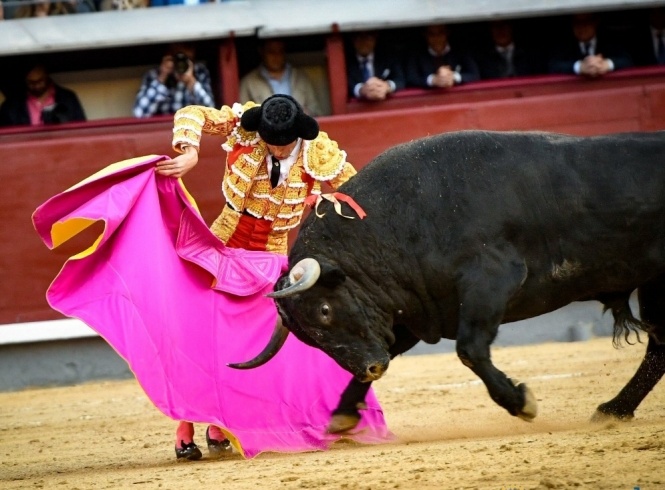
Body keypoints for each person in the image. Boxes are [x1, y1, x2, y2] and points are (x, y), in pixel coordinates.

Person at [156, 94, 360, 460]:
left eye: (284, 145)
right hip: (221, 243)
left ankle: (220, 425)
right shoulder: (244, 129)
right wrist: (189, 152)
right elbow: (192, 113)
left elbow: (356, 191)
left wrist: (326, 203)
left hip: (270, 257)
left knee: (253, 344)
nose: (278, 151)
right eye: (271, 143)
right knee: (201, 333)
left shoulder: (319, 152)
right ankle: (185, 425)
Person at [239, 38, 322, 116]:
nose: (276, 56)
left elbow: (315, 109)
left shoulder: (300, 77)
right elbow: (242, 115)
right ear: (262, 52)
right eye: (271, 52)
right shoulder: (249, 82)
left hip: (299, 130)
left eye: (280, 51)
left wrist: (306, 114)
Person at [133, 43, 215, 118]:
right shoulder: (154, 75)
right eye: (177, 58)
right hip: (163, 130)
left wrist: (191, 81)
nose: (180, 63)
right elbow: (139, 113)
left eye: (185, 59)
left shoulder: (199, 72)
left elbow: (210, 112)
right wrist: (162, 77)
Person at [547, 12, 632, 77]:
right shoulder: (564, 41)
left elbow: (627, 60)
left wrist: (606, 64)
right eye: (577, 22)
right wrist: (580, 67)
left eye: (585, 22)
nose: (581, 27)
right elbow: (553, 65)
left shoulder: (609, 38)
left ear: (595, 23)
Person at [0, 64, 86, 127]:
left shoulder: (67, 98)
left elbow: (81, 128)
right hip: (26, 150)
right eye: (31, 83)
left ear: (47, 77)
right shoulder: (12, 105)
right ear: (25, 81)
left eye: (40, 81)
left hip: (62, 148)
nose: (37, 86)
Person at [405, 24, 480, 89]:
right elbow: (411, 78)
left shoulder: (460, 50)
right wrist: (433, 80)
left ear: (447, 33)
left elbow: (475, 74)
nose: (437, 38)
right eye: (432, 34)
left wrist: (453, 77)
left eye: (440, 33)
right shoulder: (416, 54)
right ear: (425, 36)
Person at [346, 30, 405, 101]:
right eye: (359, 38)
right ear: (353, 40)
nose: (364, 42)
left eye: (368, 37)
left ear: (375, 39)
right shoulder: (345, 60)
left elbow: (400, 79)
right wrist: (361, 90)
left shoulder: (388, 55)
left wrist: (387, 86)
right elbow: (343, 85)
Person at [476, 19, 544, 79]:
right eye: (495, 26)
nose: (500, 30)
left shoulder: (530, 54)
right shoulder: (482, 58)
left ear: (511, 28)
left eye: (504, 25)